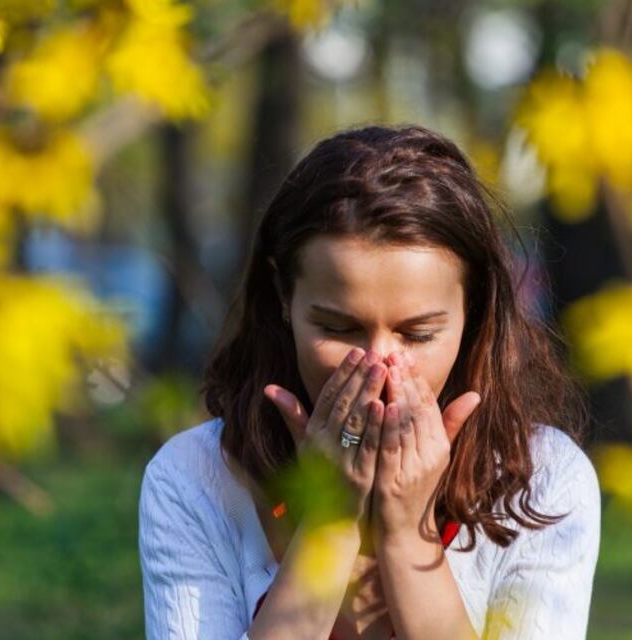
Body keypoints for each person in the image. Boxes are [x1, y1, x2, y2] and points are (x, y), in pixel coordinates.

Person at [138, 124, 601, 639]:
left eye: (418, 334)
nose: (380, 365)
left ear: (472, 313)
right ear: (284, 299)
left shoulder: (543, 482)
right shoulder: (196, 480)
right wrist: (328, 527)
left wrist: (410, 538)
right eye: (338, 328)